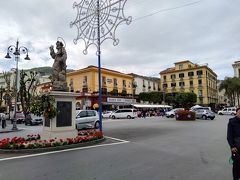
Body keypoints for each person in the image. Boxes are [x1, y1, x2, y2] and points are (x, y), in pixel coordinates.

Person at [227, 107, 240, 180]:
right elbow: (229, 136)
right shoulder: (232, 122)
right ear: (236, 113)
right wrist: (232, 146)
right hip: (236, 147)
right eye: (239, 113)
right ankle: (236, 178)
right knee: (236, 164)